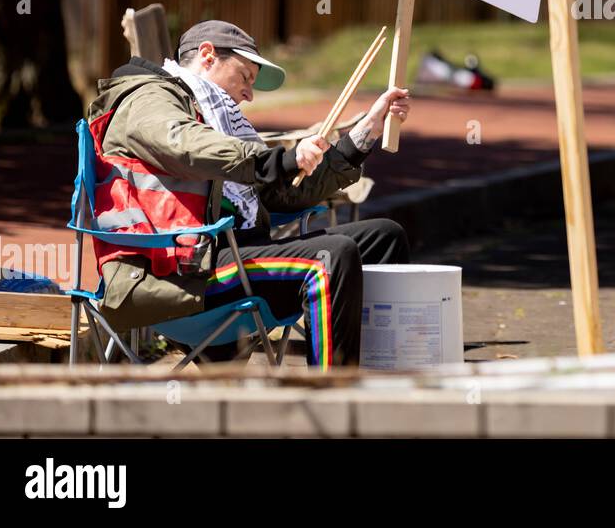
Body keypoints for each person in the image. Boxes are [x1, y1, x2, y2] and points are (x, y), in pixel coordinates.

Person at [87, 19, 410, 367]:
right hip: (173, 274)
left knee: (384, 237)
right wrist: (279, 158)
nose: (249, 95)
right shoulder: (149, 97)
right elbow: (185, 145)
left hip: (232, 254)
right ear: (207, 55)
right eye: (245, 77)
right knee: (329, 258)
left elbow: (284, 193)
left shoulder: (214, 117)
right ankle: (332, 405)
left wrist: (364, 134)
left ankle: (384, 380)